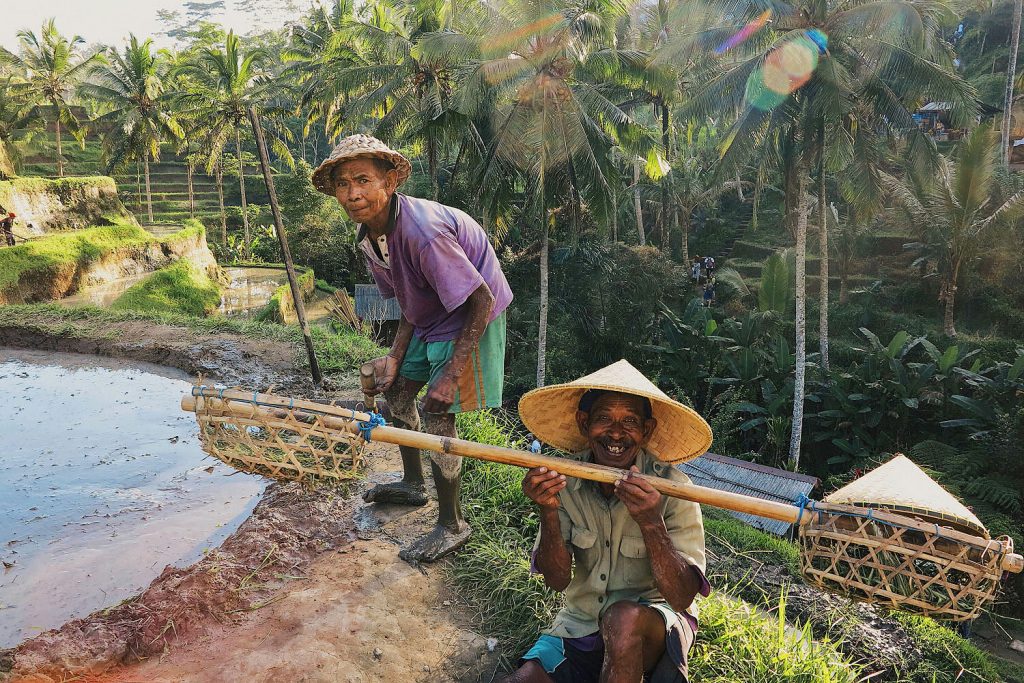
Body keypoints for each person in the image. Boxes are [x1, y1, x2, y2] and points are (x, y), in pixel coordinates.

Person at [312, 134, 513, 562]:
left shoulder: (423, 233)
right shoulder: (370, 237)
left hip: (470, 314)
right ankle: (413, 483)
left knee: (440, 413)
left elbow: (481, 299)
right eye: (343, 184)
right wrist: (395, 359)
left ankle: (452, 524)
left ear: (389, 181)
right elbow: (407, 298)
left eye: (363, 180)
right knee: (398, 392)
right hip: (432, 312)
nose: (353, 193)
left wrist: (450, 374)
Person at [504, 359, 712, 683]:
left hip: (654, 623)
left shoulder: (674, 488)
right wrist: (547, 509)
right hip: (580, 622)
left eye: (630, 421)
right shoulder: (564, 481)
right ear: (584, 423)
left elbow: (681, 597)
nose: (616, 432)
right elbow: (556, 580)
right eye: (604, 419)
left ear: (647, 430)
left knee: (622, 620)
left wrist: (651, 523)